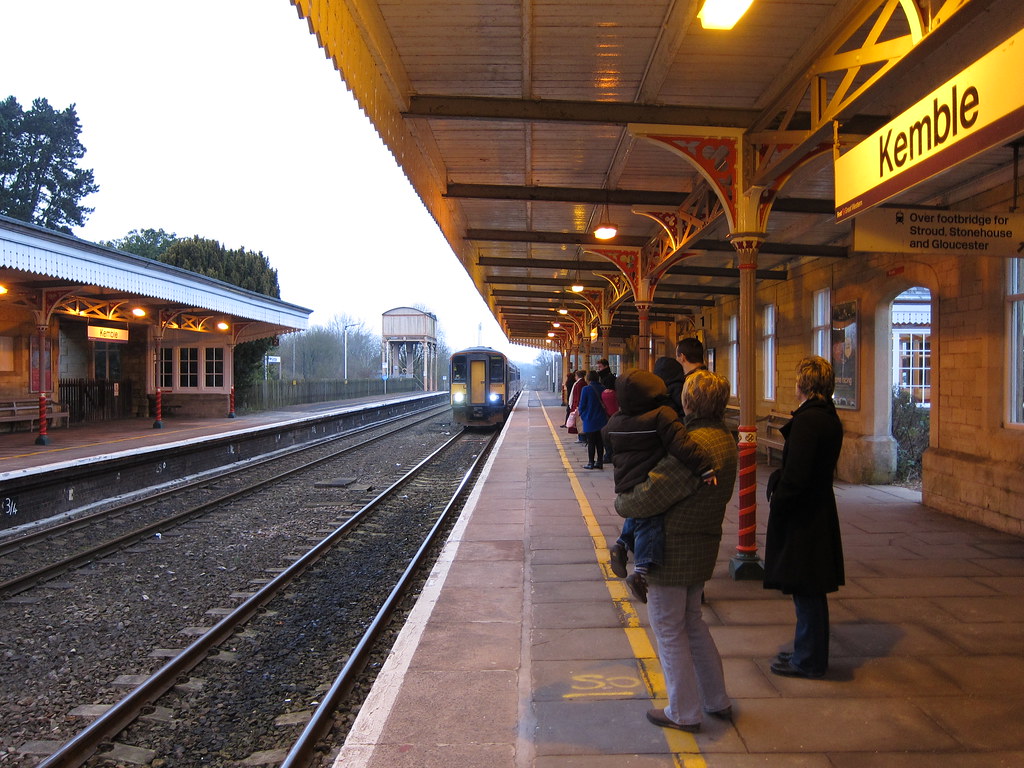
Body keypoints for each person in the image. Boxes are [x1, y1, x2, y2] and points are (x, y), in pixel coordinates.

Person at [615, 370, 738, 733]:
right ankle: (717, 700)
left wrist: (623, 502)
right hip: (702, 544)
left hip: (673, 549)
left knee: (668, 628)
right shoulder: (725, 439)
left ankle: (683, 712)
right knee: (692, 624)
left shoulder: (696, 444)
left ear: (690, 401)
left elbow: (653, 493)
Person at [602, 369, 716, 600]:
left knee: (636, 515)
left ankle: (622, 543)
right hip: (647, 474)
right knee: (649, 520)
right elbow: (681, 445)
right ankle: (641, 570)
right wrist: (704, 467)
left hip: (625, 478)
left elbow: (606, 438)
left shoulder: (615, 421)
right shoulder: (662, 415)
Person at [764, 355, 844, 680]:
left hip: (805, 516)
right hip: (817, 509)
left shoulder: (810, 421)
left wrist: (780, 497)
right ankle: (804, 650)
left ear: (805, 383)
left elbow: (798, 474)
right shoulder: (825, 416)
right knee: (808, 587)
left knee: (807, 587)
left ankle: (808, 659)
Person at [577, 370, 608, 469]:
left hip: (590, 419)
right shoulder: (603, 388)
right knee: (600, 442)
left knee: (591, 442)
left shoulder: (586, 389)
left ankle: (591, 462)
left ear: (588, 378)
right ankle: (599, 462)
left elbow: (582, 404)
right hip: (602, 420)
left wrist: (583, 415)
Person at [568, 370, 586, 442]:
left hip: (577, 405)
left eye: (575, 376)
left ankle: (581, 438)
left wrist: (576, 405)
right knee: (579, 422)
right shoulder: (582, 383)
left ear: (577, 376)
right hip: (578, 404)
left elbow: (578, 396)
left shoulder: (579, 384)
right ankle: (581, 437)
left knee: (578, 422)